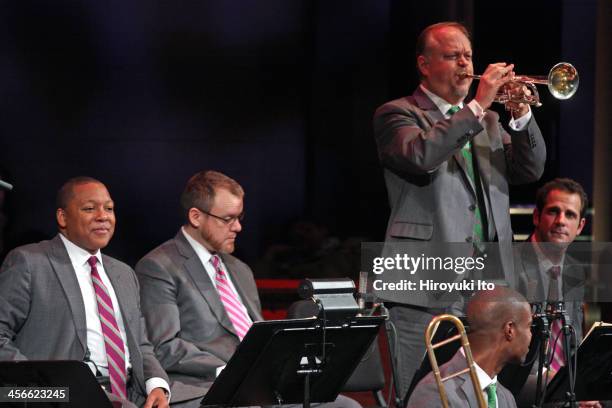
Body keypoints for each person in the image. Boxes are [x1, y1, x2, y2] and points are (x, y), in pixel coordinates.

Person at [372, 21, 546, 397]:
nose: (465, 64)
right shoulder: (397, 114)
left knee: (479, 392)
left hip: (487, 284)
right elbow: (422, 156)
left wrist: (520, 116)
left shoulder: (489, 122)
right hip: (425, 282)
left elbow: (528, 170)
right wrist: (478, 103)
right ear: (424, 64)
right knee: (415, 391)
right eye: (453, 56)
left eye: (468, 55)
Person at [136, 170, 361, 408]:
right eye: (228, 219)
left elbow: (259, 333)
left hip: (261, 383)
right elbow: (165, 346)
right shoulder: (159, 266)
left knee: (345, 406)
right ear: (196, 217)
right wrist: (237, 370)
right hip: (206, 385)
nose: (238, 227)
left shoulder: (240, 269)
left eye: (240, 217)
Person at [0, 177, 177, 408]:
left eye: (109, 208)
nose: (103, 216)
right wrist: (43, 391)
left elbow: (140, 344)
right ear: (62, 217)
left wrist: (157, 386)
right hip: (58, 396)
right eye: (89, 208)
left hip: (129, 393)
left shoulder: (124, 273)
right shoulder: (29, 262)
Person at [513, 178, 600, 408]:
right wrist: (567, 388)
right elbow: (508, 354)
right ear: (536, 217)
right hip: (516, 380)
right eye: (553, 211)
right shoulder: (509, 264)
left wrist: (579, 384)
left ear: (580, 226)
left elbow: (573, 342)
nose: (561, 221)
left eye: (570, 215)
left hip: (560, 382)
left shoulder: (574, 272)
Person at [408, 287, 533, 408]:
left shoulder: (507, 398)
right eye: (528, 326)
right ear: (509, 329)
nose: (531, 335)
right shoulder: (436, 391)